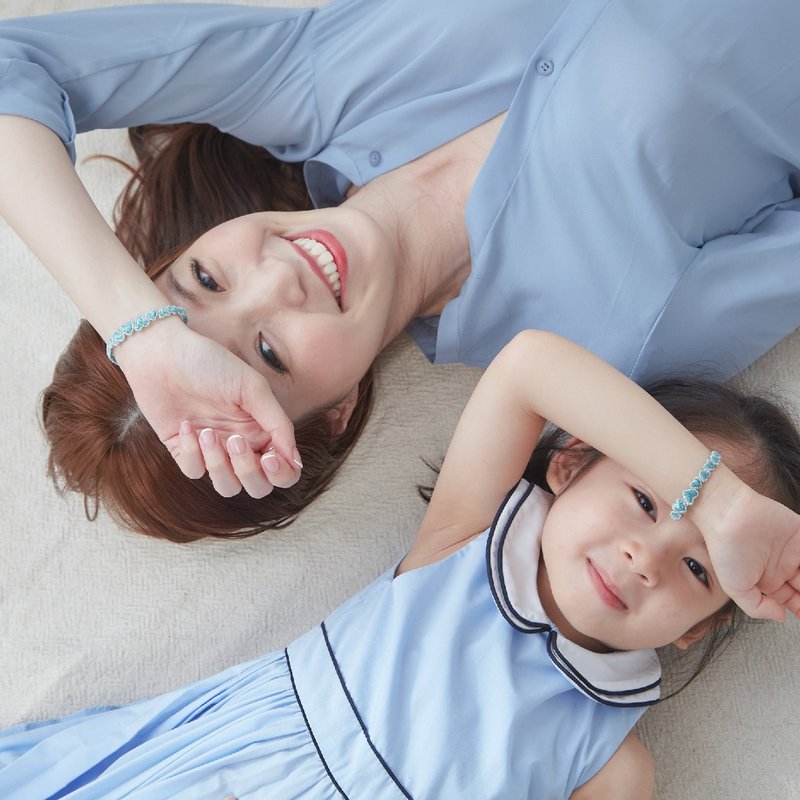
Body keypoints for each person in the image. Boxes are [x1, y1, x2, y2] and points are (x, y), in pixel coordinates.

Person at [2, 0, 800, 543]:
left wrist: (141, 334)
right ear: (339, 411)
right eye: (272, 354)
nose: (280, 281)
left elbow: (17, 64)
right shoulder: (615, 333)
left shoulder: (315, 80)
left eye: (204, 282)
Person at [1, 330, 800, 799]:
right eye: (647, 500)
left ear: (701, 630)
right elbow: (529, 365)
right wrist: (722, 504)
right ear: (568, 465)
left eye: (701, 571)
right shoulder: (462, 544)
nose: (647, 556)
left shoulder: (615, 763)